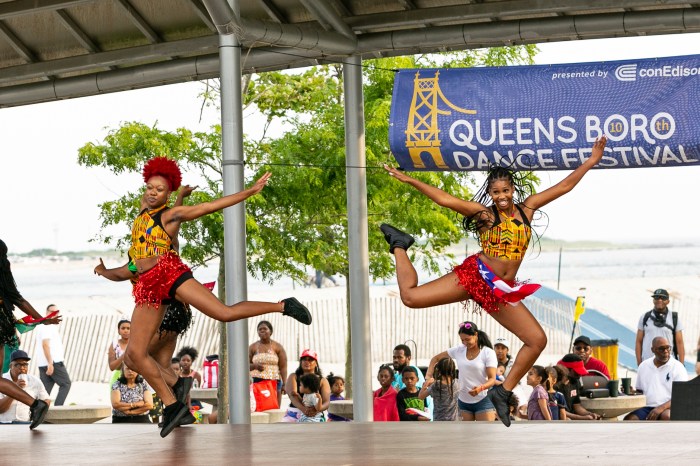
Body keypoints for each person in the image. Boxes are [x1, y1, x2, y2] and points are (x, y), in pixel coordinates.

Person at [380, 136, 607, 426]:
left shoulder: (527, 209)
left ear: (513, 189)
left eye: (505, 190)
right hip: (476, 278)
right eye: (495, 191)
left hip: (499, 292)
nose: (501, 196)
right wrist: (409, 180)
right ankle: (399, 244)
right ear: (490, 192)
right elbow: (445, 199)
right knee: (410, 297)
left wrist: (589, 162)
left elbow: (563, 187)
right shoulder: (485, 215)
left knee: (537, 340)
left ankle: (503, 391)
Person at [113, 158, 312, 437]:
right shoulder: (143, 212)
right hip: (150, 286)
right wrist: (106, 271)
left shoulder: (169, 215)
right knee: (134, 354)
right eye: (149, 187)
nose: (152, 192)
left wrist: (248, 192)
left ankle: (283, 305)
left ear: (167, 195)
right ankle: (175, 401)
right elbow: (141, 253)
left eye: (159, 190)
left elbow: (208, 207)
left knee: (223, 312)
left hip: (170, 275)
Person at [0, 239, 60, 429]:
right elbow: (18, 299)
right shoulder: (3, 274)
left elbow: (18, 299)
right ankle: (36, 405)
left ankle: (36, 404)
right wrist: (41, 319)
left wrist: (42, 319)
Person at [427, 322, 497, 422]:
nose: (465, 343)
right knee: (465, 435)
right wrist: (428, 377)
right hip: (463, 400)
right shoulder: (459, 350)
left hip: (483, 399)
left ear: (476, 334)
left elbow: (492, 379)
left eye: (467, 339)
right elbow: (435, 359)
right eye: (462, 340)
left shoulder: (488, 352)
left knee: (485, 435)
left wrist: (480, 388)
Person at [624, 336, 688, 421]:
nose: (666, 351)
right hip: (647, 407)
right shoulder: (644, 366)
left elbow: (681, 396)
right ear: (653, 350)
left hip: (668, 407)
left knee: (666, 417)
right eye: (661, 349)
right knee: (629, 419)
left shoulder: (678, 367)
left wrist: (661, 408)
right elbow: (640, 392)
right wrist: (631, 392)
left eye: (668, 348)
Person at [635, 289, 685, 365]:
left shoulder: (674, 318)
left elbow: (679, 342)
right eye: (657, 298)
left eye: (663, 298)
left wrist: (681, 364)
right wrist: (639, 363)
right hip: (648, 363)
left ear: (668, 301)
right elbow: (639, 341)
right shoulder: (645, 317)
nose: (659, 300)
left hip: (668, 363)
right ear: (653, 300)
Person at [35, 304, 72, 406]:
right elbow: (45, 345)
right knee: (66, 384)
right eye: (52, 311)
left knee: (45, 392)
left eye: (57, 311)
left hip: (43, 363)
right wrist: (50, 363)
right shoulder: (47, 326)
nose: (55, 314)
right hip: (53, 363)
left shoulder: (44, 325)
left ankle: (39, 414)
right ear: (47, 312)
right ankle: (58, 409)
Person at [0, 350, 51, 424]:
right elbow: (0, 409)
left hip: (25, 423)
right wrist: (14, 389)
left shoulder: (34, 381)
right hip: (4, 423)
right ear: (10, 366)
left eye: (25, 365)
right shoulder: (3, 381)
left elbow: (46, 400)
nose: (22, 368)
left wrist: (38, 414)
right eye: (18, 365)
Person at [283, 349, 330, 422]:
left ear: (316, 363)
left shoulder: (323, 380)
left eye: (310, 360)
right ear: (300, 362)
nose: (307, 362)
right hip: (295, 413)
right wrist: (304, 410)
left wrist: (317, 409)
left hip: (316, 416)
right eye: (304, 359)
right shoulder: (293, 376)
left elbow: (326, 401)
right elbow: (292, 396)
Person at [249, 320, 287, 407]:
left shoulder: (277, 347)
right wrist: (254, 366)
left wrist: (285, 384)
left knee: (274, 407)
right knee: (258, 407)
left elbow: (283, 367)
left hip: (274, 382)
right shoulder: (253, 347)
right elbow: (243, 365)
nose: (262, 330)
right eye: (260, 329)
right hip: (257, 382)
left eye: (265, 329)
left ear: (270, 332)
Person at [555, 354, 601, 420]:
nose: (579, 375)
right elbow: (558, 410)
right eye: (576, 372)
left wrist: (589, 414)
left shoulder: (575, 381)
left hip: (571, 417)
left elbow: (576, 405)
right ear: (566, 369)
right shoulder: (555, 384)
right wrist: (582, 418)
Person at [419, 357, 458, 421]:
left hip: (438, 421)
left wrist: (426, 383)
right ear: (453, 369)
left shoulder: (435, 385)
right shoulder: (457, 383)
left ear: (439, 370)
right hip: (454, 421)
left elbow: (421, 396)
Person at [107, 318, 131, 387]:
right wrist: (123, 356)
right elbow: (112, 367)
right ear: (118, 331)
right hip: (119, 378)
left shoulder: (136, 344)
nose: (126, 331)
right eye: (123, 328)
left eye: (128, 328)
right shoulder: (114, 345)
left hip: (135, 379)